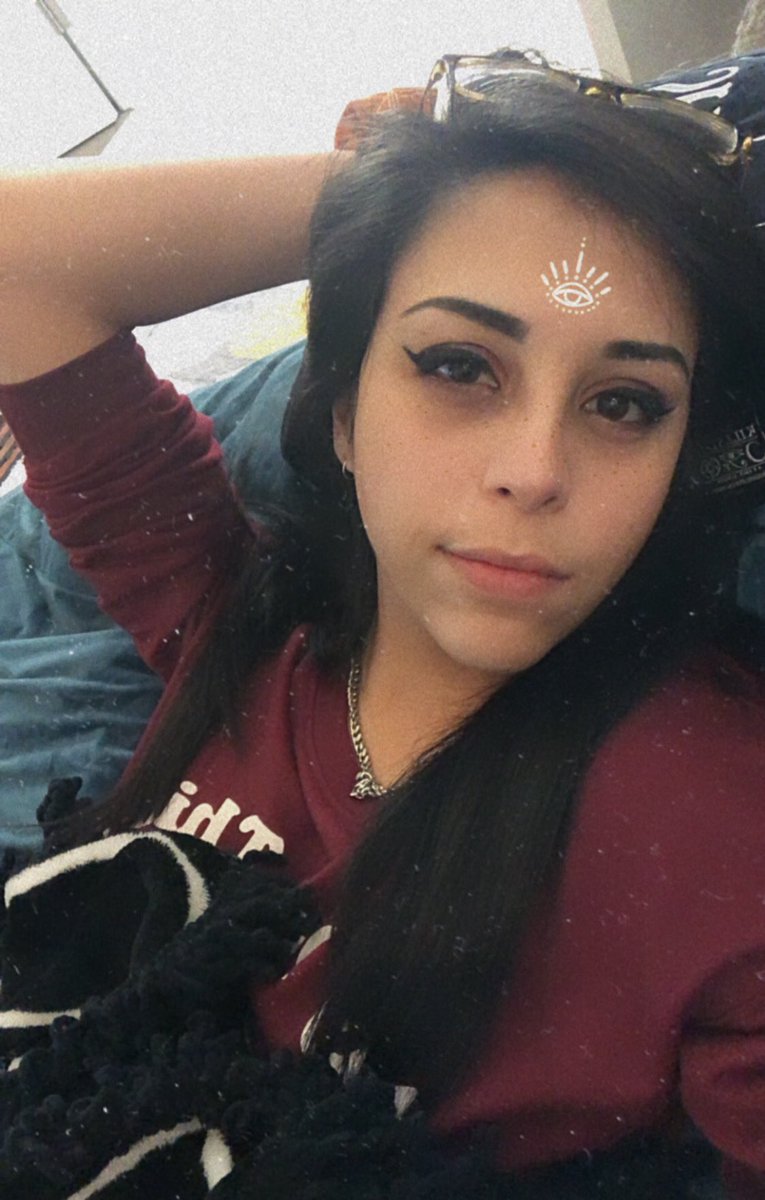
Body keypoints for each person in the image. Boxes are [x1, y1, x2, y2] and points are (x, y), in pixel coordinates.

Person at [1, 51, 765, 1198]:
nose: (534, 471)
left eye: (623, 403)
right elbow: (20, 259)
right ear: (343, 411)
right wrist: (400, 180)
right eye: (460, 365)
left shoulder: (721, 817)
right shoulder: (229, 612)